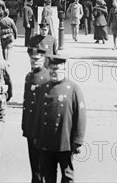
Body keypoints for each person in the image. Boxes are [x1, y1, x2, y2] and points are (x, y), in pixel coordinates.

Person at [33, 55, 86, 183]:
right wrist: (37, 136)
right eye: (51, 69)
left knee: (67, 176)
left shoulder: (73, 89)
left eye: (57, 69)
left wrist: (78, 140)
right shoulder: (44, 88)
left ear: (64, 69)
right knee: (48, 175)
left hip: (65, 141)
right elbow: (38, 114)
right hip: (47, 141)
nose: (54, 72)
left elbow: (80, 116)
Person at [22, 48, 50, 183]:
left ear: (44, 60)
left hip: (42, 126)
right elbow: (26, 102)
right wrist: (24, 124)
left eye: (38, 59)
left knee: (42, 162)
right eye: (32, 59)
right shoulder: (29, 76)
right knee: (33, 161)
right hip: (30, 125)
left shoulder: (47, 77)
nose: (35, 62)